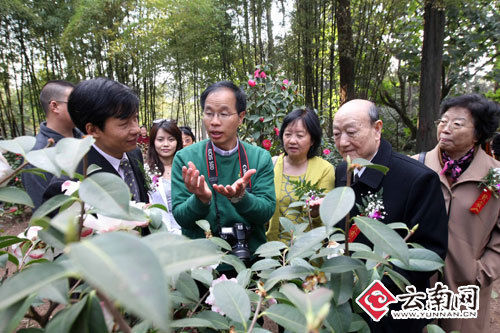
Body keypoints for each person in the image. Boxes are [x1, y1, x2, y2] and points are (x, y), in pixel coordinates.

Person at [333, 99, 448, 332]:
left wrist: (370, 287)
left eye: (351, 132)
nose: (343, 142)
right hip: (348, 300)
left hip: (393, 307)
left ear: (377, 129)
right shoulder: (342, 170)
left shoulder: (418, 178)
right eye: (336, 134)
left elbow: (429, 252)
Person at [416, 94, 500, 332]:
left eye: (457, 123)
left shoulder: (496, 175)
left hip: (467, 286)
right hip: (420, 282)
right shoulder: (416, 167)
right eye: (443, 121)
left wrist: (482, 272)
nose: (446, 128)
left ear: (478, 134)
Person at [172, 81, 275, 263]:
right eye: (209, 113)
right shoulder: (185, 158)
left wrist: (241, 198)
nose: (214, 122)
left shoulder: (259, 158)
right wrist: (201, 199)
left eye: (224, 114)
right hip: (202, 266)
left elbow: (266, 212)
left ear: (241, 117)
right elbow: (181, 218)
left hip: (252, 262)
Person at [43, 78, 149, 208]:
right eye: (124, 124)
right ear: (93, 129)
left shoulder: (134, 153)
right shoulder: (70, 183)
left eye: (135, 118)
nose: (136, 129)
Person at [266, 108, 334, 241]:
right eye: (288, 134)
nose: (292, 141)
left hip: (309, 253)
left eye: (300, 135)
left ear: (312, 140)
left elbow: (327, 218)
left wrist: (315, 213)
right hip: (274, 252)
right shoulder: (272, 164)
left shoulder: (325, 170)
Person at [22, 80, 82, 210]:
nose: (81, 109)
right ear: (54, 106)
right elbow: (43, 211)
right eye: (75, 103)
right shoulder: (36, 155)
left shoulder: (86, 139)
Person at [147, 119, 183, 234]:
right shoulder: (146, 171)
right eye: (160, 140)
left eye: (171, 139)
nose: (166, 144)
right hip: (159, 232)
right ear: (153, 142)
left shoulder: (186, 167)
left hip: (186, 231)